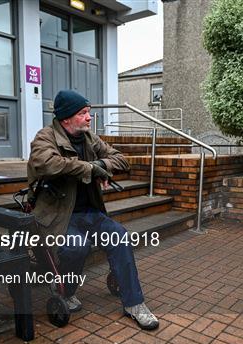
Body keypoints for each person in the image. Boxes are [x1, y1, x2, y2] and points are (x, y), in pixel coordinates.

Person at [27, 89, 159, 330]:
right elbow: (46, 163)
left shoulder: (89, 139)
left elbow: (121, 159)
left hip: (90, 213)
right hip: (59, 216)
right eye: (83, 113)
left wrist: (100, 164)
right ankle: (65, 290)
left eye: (89, 113)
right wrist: (90, 169)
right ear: (66, 118)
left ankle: (134, 304)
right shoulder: (45, 138)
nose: (89, 118)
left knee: (120, 236)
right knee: (77, 245)